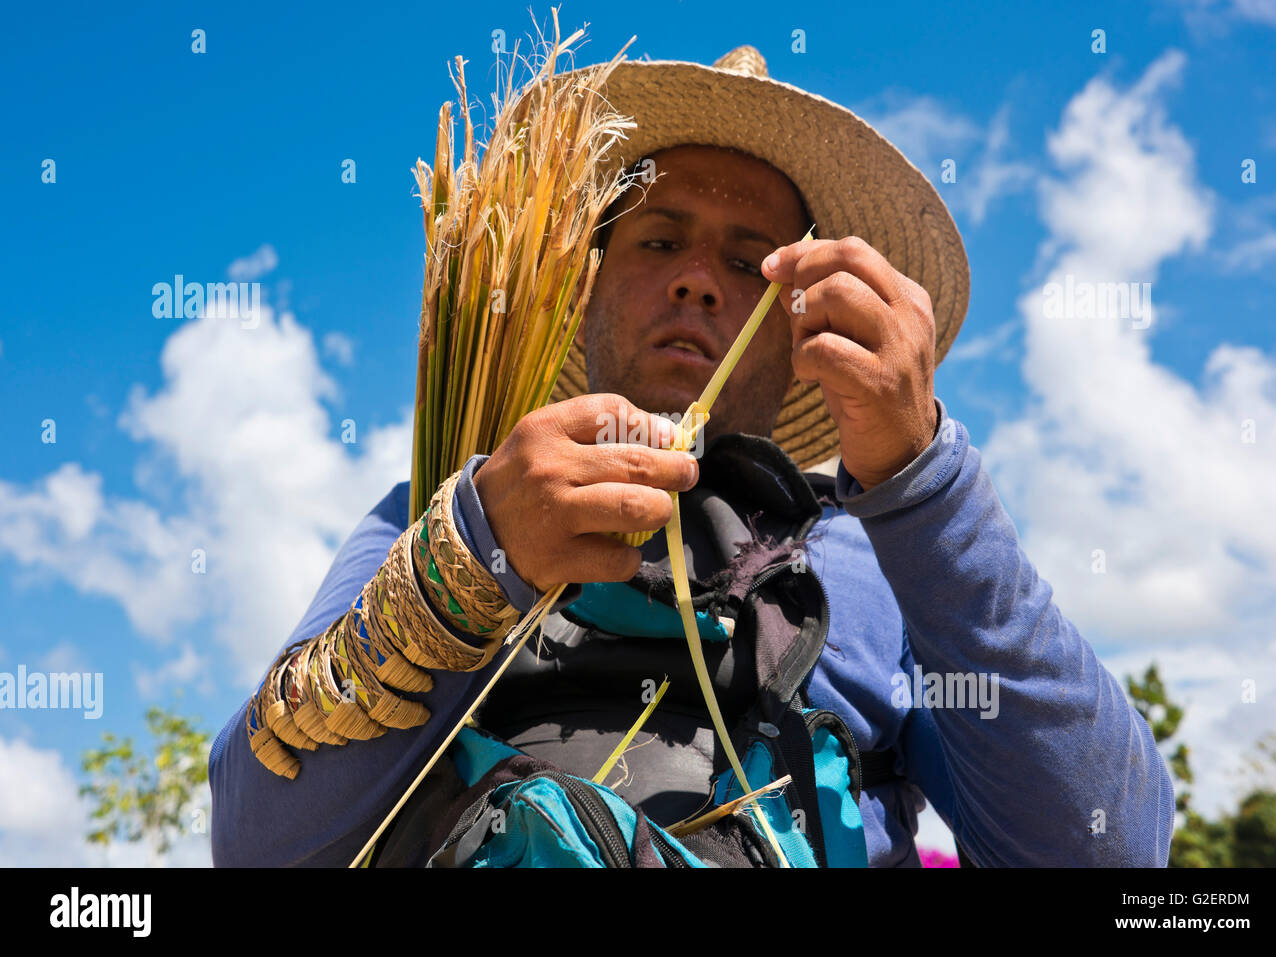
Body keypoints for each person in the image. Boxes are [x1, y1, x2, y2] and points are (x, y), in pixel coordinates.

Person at [209, 46, 1174, 867]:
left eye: (751, 263)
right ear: (581, 292)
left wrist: (923, 480)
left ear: (798, 323)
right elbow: (258, 834)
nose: (698, 284)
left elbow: (1112, 848)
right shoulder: (442, 507)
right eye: (659, 238)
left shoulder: (880, 554)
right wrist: (477, 552)